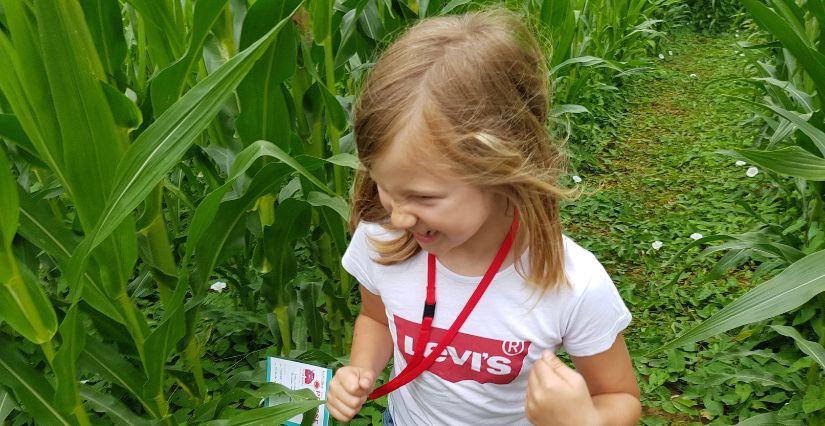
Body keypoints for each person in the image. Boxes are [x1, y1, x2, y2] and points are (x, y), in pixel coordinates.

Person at [326, 6, 640, 425]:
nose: (399, 217)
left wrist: (583, 420)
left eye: (423, 197)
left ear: (502, 171)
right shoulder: (380, 239)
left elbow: (619, 396)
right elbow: (375, 317)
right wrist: (360, 368)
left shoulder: (572, 284)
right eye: (387, 188)